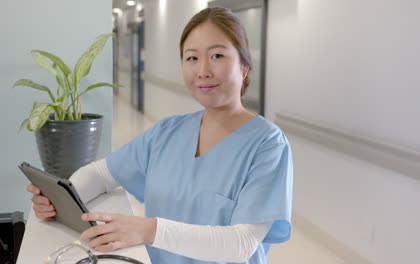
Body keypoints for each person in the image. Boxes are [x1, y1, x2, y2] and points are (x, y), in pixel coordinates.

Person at [27, 7, 293, 264]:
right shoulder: (167, 132)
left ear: (245, 66)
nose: (203, 71)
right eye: (191, 58)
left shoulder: (267, 143)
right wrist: (61, 201)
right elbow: (101, 174)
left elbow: (242, 243)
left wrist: (150, 230)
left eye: (217, 56)